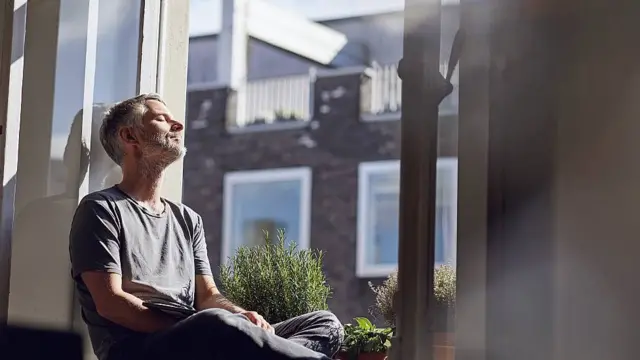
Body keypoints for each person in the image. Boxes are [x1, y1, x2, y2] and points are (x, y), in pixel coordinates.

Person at [69, 93, 343, 360]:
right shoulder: (101, 209)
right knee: (216, 324)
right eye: (162, 119)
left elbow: (208, 295)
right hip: (141, 348)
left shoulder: (188, 219)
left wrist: (238, 315)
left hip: (206, 338)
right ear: (130, 137)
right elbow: (110, 303)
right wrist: (210, 328)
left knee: (325, 324)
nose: (179, 125)